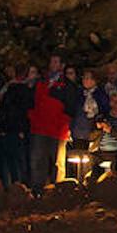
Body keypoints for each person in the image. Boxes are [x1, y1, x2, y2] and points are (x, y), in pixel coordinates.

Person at [28, 57, 73, 189]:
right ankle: (37, 189)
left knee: (57, 162)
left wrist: (62, 124)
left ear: (62, 65)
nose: (52, 64)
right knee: (37, 160)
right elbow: (32, 102)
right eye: (51, 61)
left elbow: (70, 108)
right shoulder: (41, 82)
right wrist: (33, 118)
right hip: (39, 128)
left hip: (57, 129)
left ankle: (58, 189)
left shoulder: (67, 85)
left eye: (55, 62)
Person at [0, 64, 35, 188]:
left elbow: (5, 110)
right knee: (15, 161)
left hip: (8, 129)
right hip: (15, 130)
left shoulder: (10, 89)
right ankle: (17, 187)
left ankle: (10, 187)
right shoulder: (23, 91)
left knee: (8, 162)